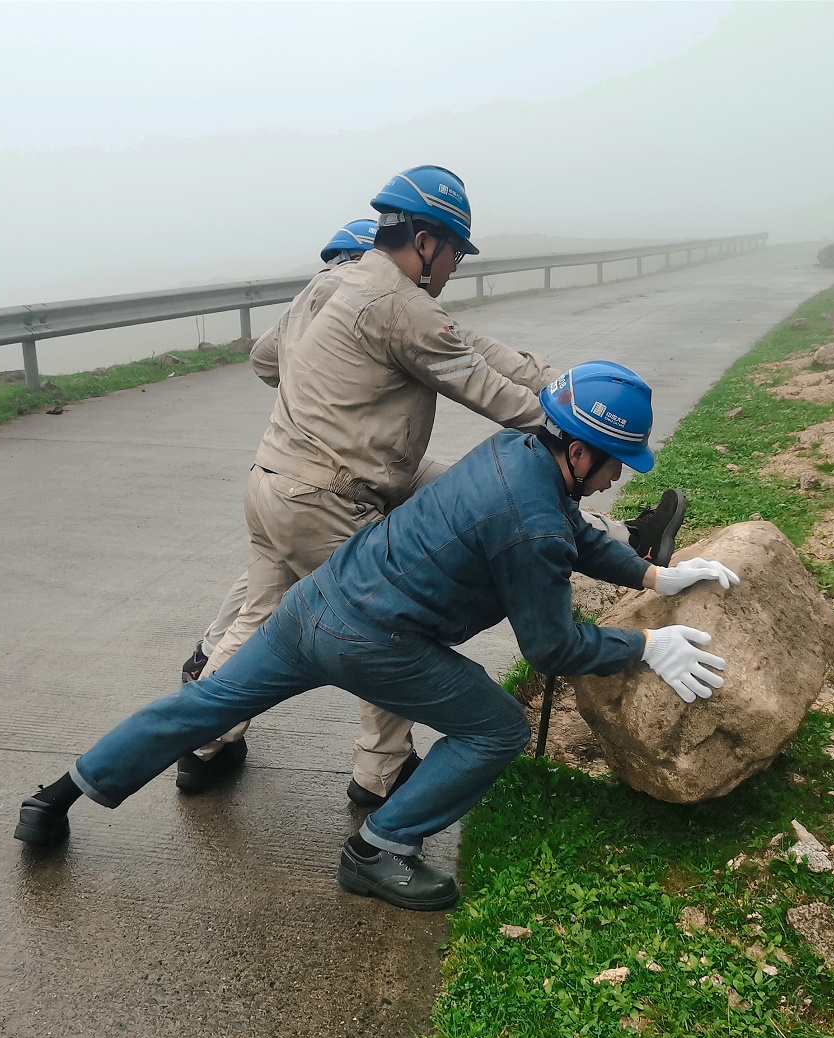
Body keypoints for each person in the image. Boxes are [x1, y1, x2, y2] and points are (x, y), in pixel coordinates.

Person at [16, 361, 738, 911]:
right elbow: (552, 649)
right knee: (492, 728)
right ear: (579, 451)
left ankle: (55, 798)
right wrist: (646, 647)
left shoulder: (515, 452)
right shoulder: (533, 523)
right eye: (615, 462)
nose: (616, 479)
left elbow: (575, 533)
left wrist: (650, 581)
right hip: (373, 639)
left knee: (202, 707)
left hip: (317, 601)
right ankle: (377, 848)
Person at [174, 170, 689, 808]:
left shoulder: (333, 286)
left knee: (262, 613)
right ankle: (381, 773)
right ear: (424, 240)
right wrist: (574, 428)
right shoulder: (397, 303)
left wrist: (327, 395)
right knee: (380, 626)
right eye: (453, 254)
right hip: (334, 491)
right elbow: (485, 387)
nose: (453, 270)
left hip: (277, 482)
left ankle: (202, 745)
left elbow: (266, 361)